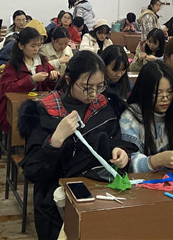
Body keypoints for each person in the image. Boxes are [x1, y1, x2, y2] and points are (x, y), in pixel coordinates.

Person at [18, 51, 130, 240]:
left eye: (100, 86)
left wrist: (120, 151)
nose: (94, 94)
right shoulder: (45, 111)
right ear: (69, 80)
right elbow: (32, 170)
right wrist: (55, 141)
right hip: (55, 204)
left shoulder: (105, 106)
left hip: (99, 198)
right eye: (87, 87)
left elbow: (115, 140)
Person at [0, 27, 59, 135]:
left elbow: (53, 85)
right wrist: (32, 80)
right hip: (18, 107)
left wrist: (54, 78)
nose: (36, 49)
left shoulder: (42, 62)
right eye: (32, 46)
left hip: (39, 105)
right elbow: (8, 88)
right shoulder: (12, 65)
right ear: (21, 46)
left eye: (38, 45)